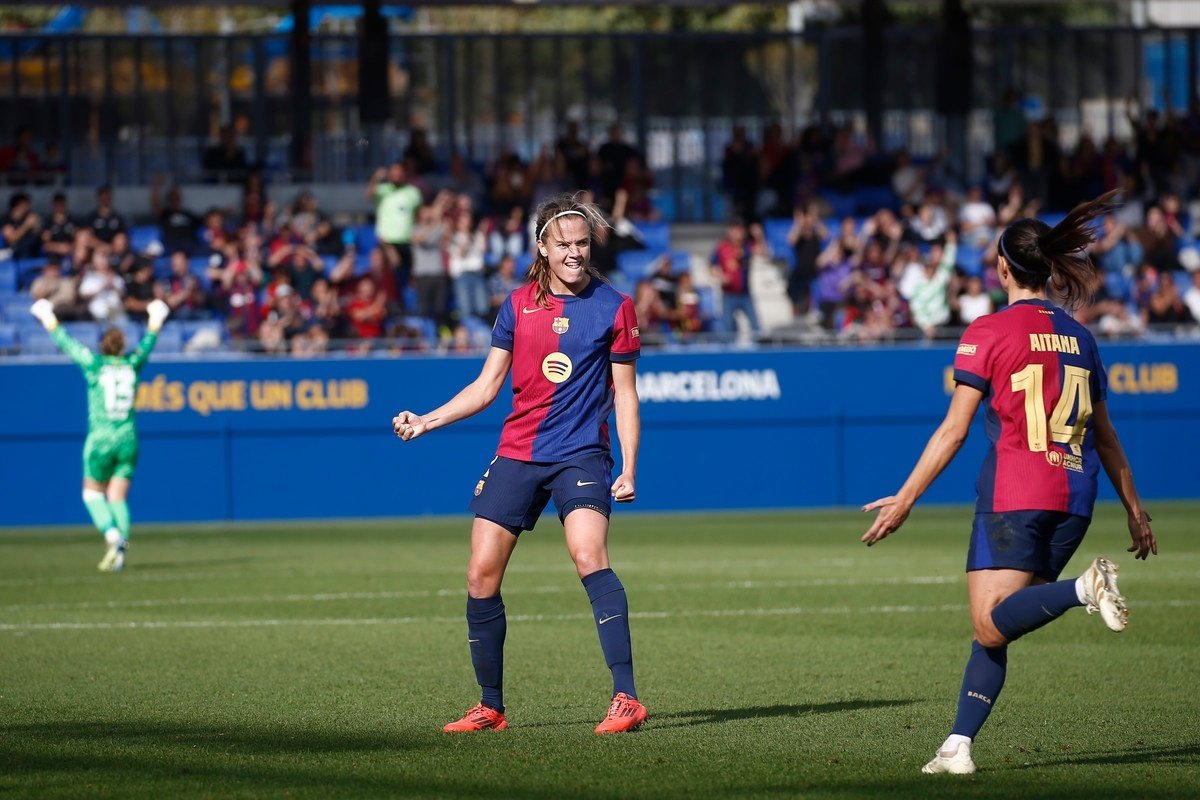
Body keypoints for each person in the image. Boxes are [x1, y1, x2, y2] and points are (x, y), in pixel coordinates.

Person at [860, 190, 1157, 776]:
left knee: (987, 620)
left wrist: (906, 497)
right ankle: (957, 746)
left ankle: (1083, 591)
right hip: (1076, 499)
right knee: (998, 625)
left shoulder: (988, 330)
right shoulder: (1081, 337)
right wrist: (1135, 509)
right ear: (1048, 267)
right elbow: (1107, 437)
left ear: (1002, 268)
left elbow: (953, 429)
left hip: (1016, 492)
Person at [392, 192, 647, 735]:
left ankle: (626, 697)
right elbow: (487, 387)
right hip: (519, 452)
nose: (575, 253)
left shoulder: (614, 306)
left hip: (581, 453)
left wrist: (628, 466)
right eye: (564, 244)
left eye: (582, 243)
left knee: (587, 555)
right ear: (543, 247)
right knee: (480, 573)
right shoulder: (517, 305)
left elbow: (625, 393)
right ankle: (490, 707)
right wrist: (427, 421)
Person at [29, 296, 172, 572]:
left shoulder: (94, 366)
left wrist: (47, 316)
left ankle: (111, 535)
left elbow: (67, 344)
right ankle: (120, 552)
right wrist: (155, 320)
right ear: (122, 347)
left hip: (101, 438)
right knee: (117, 497)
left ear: (101, 346)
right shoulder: (132, 365)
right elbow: (147, 346)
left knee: (92, 494)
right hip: (129, 438)